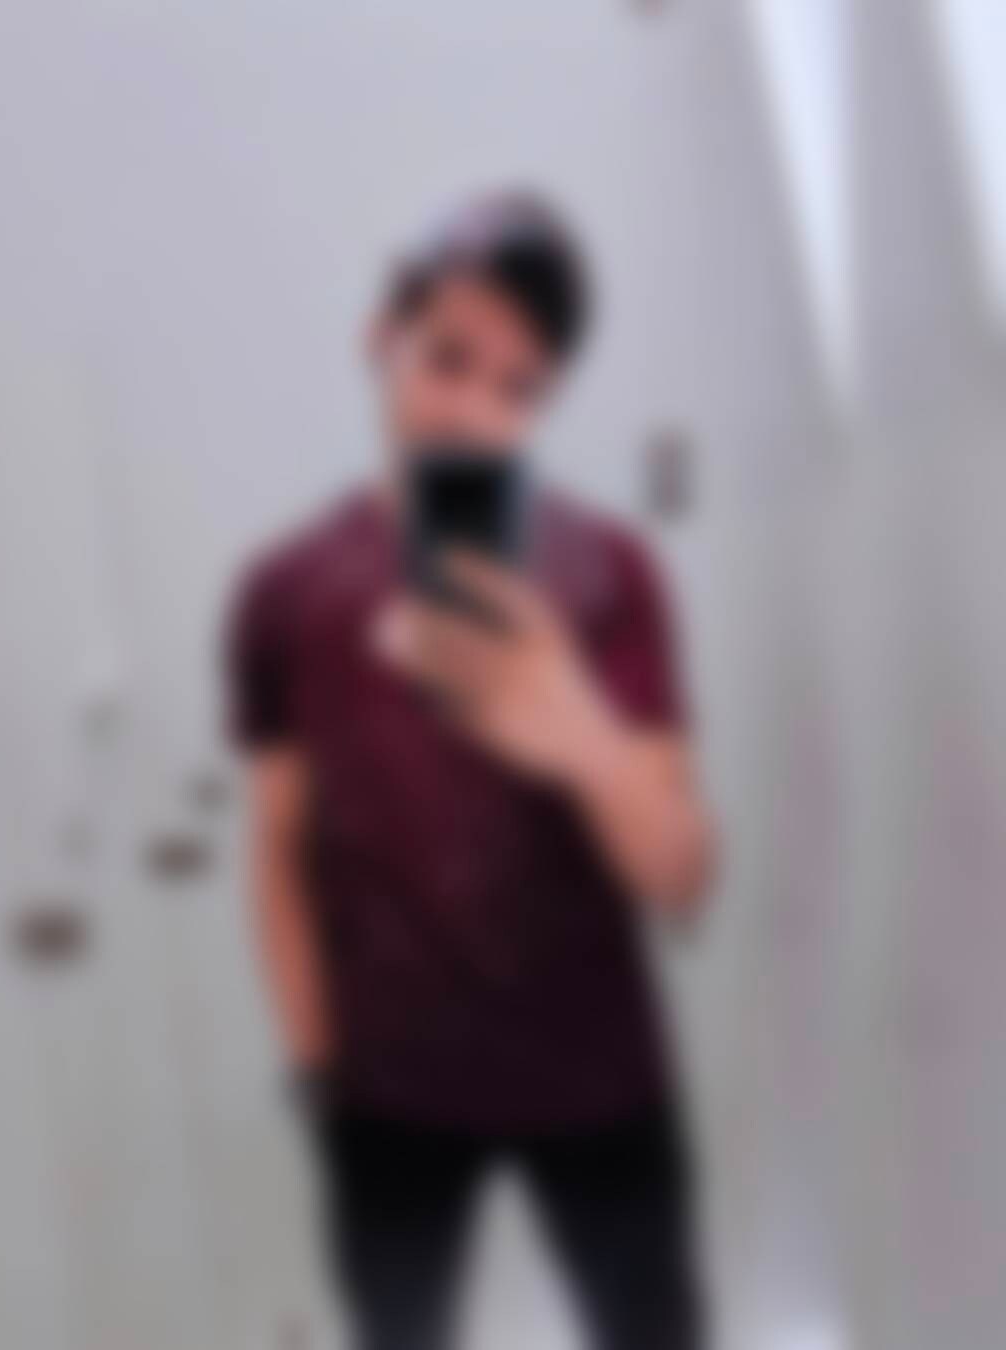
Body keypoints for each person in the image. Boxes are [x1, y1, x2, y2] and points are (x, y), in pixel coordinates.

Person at [225, 189, 716, 1350]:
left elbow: (682, 881)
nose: (477, 413)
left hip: (599, 1077)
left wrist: (577, 731)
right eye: (450, 359)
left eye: (519, 388)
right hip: (389, 1095)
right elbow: (278, 851)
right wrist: (315, 1075)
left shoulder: (611, 571)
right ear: (381, 339)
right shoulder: (284, 591)